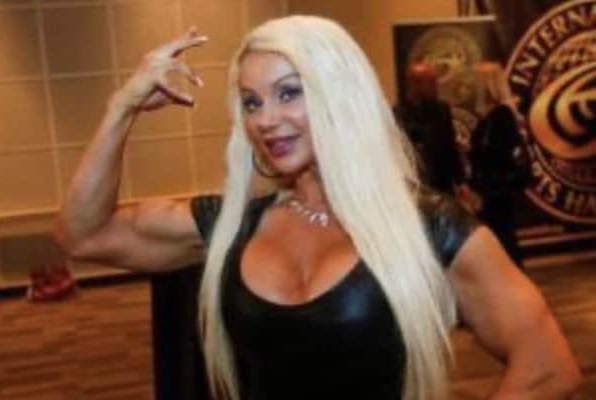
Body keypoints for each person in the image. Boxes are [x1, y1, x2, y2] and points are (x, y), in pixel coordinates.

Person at [55, 17, 580, 400]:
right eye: (252, 102)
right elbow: (84, 235)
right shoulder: (235, 225)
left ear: (340, 95)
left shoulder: (428, 226)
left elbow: (548, 366)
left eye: (289, 93)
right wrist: (122, 108)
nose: (266, 119)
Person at [469, 62, 531, 267]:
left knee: (503, 238)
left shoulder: (501, 115)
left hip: (497, 190)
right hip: (492, 190)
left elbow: (499, 155)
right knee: (500, 238)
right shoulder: (491, 116)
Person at [394, 63, 465, 196]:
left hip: (440, 184)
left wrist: (460, 182)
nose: (436, 86)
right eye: (431, 82)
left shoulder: (442, 110)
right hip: (413, 184)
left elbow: (450, 147)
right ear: (415, 84)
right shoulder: (398, 114)